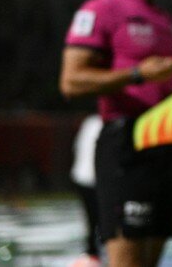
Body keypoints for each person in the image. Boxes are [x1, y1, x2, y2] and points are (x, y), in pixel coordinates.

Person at [59, 0, 172, 267]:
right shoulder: (101, 10)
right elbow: (71, 81)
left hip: (167, 146)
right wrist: (136, 74)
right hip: (126, 145)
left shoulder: (170, 23)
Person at [71, 113, 104, 267]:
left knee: (92, 219)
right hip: (92, 178)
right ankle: (93, 253)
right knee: (96, 219)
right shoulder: (96, 123)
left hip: (84, 177)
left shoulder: (90, 122)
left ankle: (93, 252)